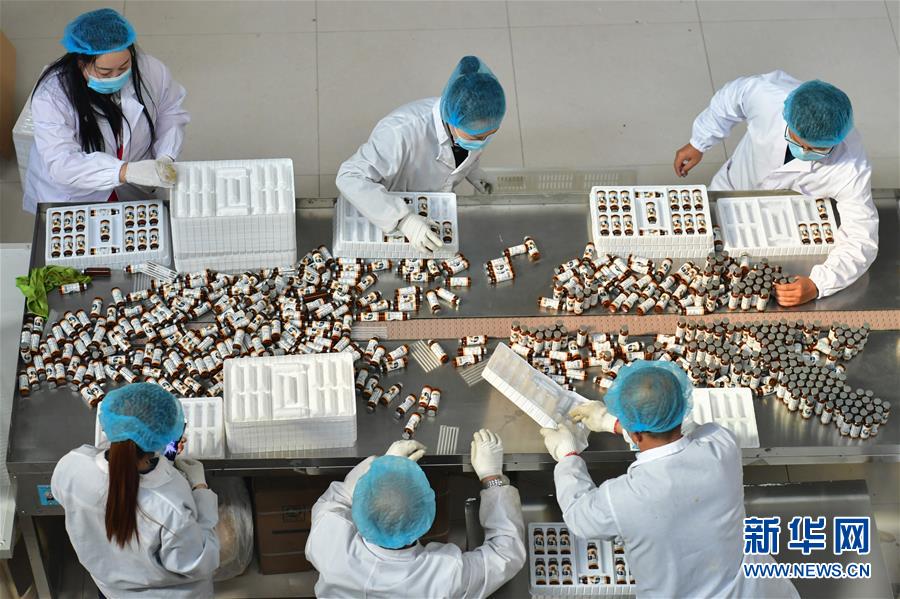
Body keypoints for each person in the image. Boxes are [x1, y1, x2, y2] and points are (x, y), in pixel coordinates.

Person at [540, 361, 799, 598]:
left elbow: (579, 517)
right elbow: (681, 431)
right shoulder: (721, 446)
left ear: (636, 434)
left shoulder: (623, 499)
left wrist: (567, 455)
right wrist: (615, 424)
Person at [673, 71, 878, 306]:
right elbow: (731, 98)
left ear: (836, 141)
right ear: (786, 116)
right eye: (796, 141)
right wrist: (699, 141)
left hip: (783, 224)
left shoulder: (851, 166)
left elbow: (861, 237)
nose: (803, 152)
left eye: (816, 149)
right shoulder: (768, 96)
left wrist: (818, 284)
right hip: (731, 187)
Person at [306, 430, 526, 598]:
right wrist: (492, 477)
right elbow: (506, 554)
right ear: (426, 514)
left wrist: (383, 466)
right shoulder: (445, 575)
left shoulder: (329, 541)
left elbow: (338, 498)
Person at [51, 383, 220, 598]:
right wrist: (200, 488)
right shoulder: (170, 505)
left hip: (110, 591)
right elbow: (198, 562)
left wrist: (161, 454)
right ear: (167, 435)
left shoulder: (72, 466)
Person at [23, 8, 189, 213]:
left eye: (124, 67)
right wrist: (124, 171)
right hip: (77, 193)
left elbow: (170, 112)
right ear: (81, 63)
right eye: (105, 72)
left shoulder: (151, 70)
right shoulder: (52, 96)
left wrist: (166, 154)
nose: (116, 77)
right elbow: (62, 163)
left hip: (132, 188)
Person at [336, 55, 505, 252]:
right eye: (476, 137)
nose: (482, 142)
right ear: (453, 120)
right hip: (384, 214)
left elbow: (461, 151)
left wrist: (472, 171)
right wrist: (403, 219)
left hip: (430, 209)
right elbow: (349, 177)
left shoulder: (476, 120)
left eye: (490, 135)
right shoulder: (399, 132)